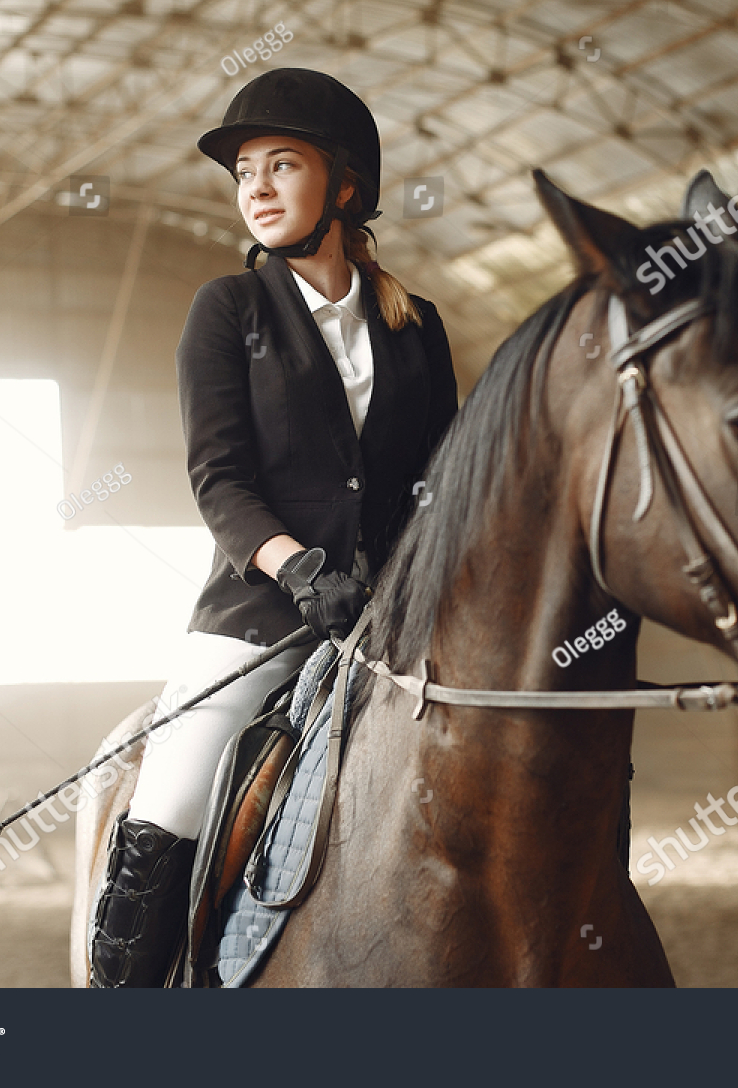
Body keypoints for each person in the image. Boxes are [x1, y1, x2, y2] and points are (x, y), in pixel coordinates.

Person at [87, 68, 460, 987]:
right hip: (261, 616)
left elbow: (440, 479)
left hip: (399, 619)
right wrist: (301, 569)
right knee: (173, 793)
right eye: (243, 171)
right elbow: (220, 480)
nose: (252, 186)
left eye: (278, 165)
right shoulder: (228, 311)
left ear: (343, 186)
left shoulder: (418, 329)